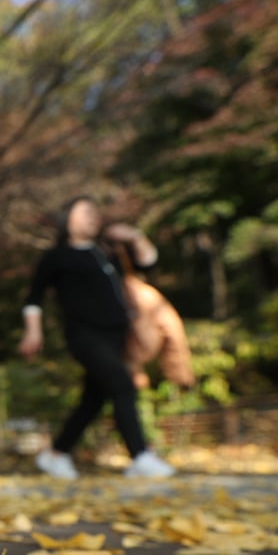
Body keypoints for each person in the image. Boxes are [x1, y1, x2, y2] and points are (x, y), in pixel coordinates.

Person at [18, 196, 176, 479]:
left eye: (95, 212)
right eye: (85, 212)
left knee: (94, 399)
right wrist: (33, 330)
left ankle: (56, 453)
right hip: (84, 335)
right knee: (122, 384)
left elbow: (149, 263)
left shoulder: (106, 253)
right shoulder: (57, 257)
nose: (93, 217)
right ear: (69, 218)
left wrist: (135, 236)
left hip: (117, 336)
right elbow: (34, 297)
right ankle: (140, 455)